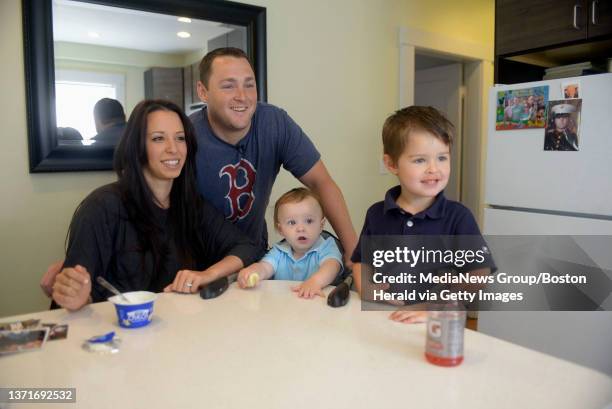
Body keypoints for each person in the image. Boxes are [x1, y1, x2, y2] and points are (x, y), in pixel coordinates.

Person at [41, 47, 357, 297]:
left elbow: (322, 182)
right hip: (192, 265)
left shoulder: (273, 124)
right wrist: (90, 259)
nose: (242, 96)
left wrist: (355, 256)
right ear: (203, 92)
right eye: (228, 85)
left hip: (247, 257)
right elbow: (142, 207)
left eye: (249, 85)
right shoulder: (187, 138)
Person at [51, 100, 261, 311]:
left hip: (180, 332)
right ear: (137, 146)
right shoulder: (101, 207)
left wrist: (207, 275)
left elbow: (247, 247)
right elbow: (75, 298)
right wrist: (75, 298)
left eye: (180, 138)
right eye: (158, 138)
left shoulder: (191, 204)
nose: (173, 149)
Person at [350, 106, 494, 324]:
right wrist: (367, 290)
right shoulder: (376, 214)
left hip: (438, 325)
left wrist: (432, 308)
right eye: (420, 160)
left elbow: (479, 273)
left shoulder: (458, 217)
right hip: (384, 318)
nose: (433, 169)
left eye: (442, 158)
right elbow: (362, 262)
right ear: (391, 164)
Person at [236, 188, 343, 298]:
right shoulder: (279, 251)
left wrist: (315, 282)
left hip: (315, 306)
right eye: (292, 222)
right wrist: (253, 271)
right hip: (284, 308)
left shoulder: (326, 246)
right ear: (281, 229)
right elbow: (265, 267)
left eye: (309, 221)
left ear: (321, 225)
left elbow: (332, 266)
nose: (301, 228)